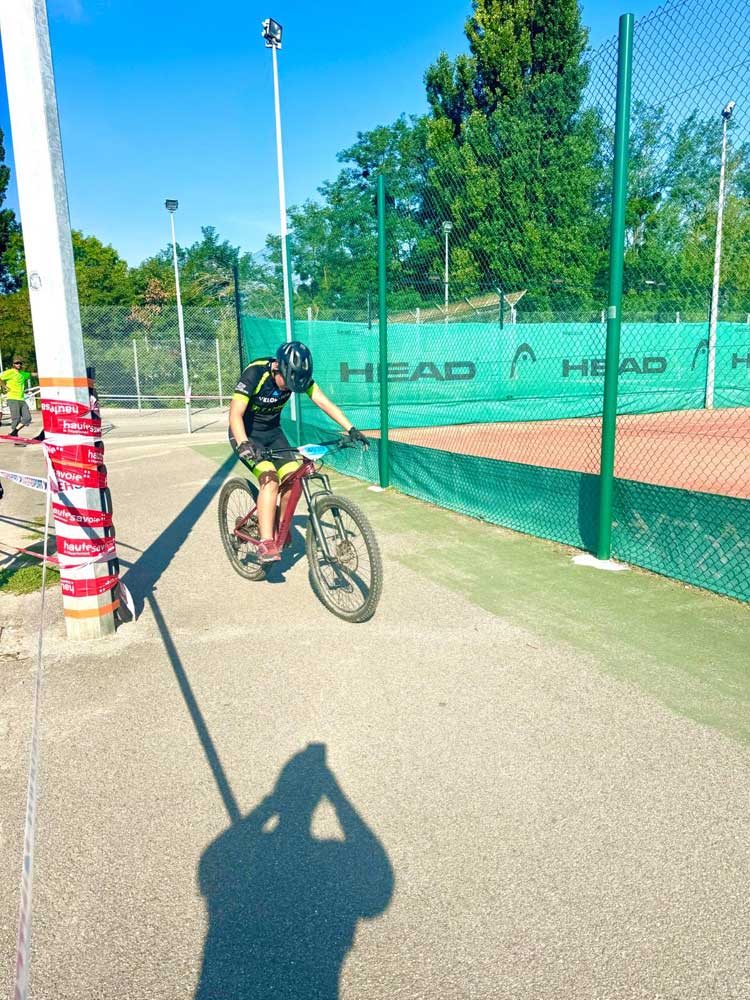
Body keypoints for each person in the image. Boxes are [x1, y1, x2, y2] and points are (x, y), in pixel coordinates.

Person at [229, 341, 367, 563]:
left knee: (294, 481)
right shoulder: (256, 373)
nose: (289, 389)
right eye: (288, 383)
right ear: (278, 368)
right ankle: (266, 541)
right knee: (270, 480)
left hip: (273, 434)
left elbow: (323, 402)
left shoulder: (298, 378)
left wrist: (351, 428)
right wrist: (244, 443)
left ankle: (280, 527)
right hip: (246, 435)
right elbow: (235, 414)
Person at [0, 357, 38, 445]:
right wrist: (5, 387)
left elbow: (31, 374)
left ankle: (14, 433)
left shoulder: (22, 374)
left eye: (20, 363)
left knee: (27, 418)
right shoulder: (10, 372)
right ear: (13, 364)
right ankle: (16, 440)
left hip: (21, 399)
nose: (19, 365)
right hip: (12, 398)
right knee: (16, 419)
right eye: (17, 363)